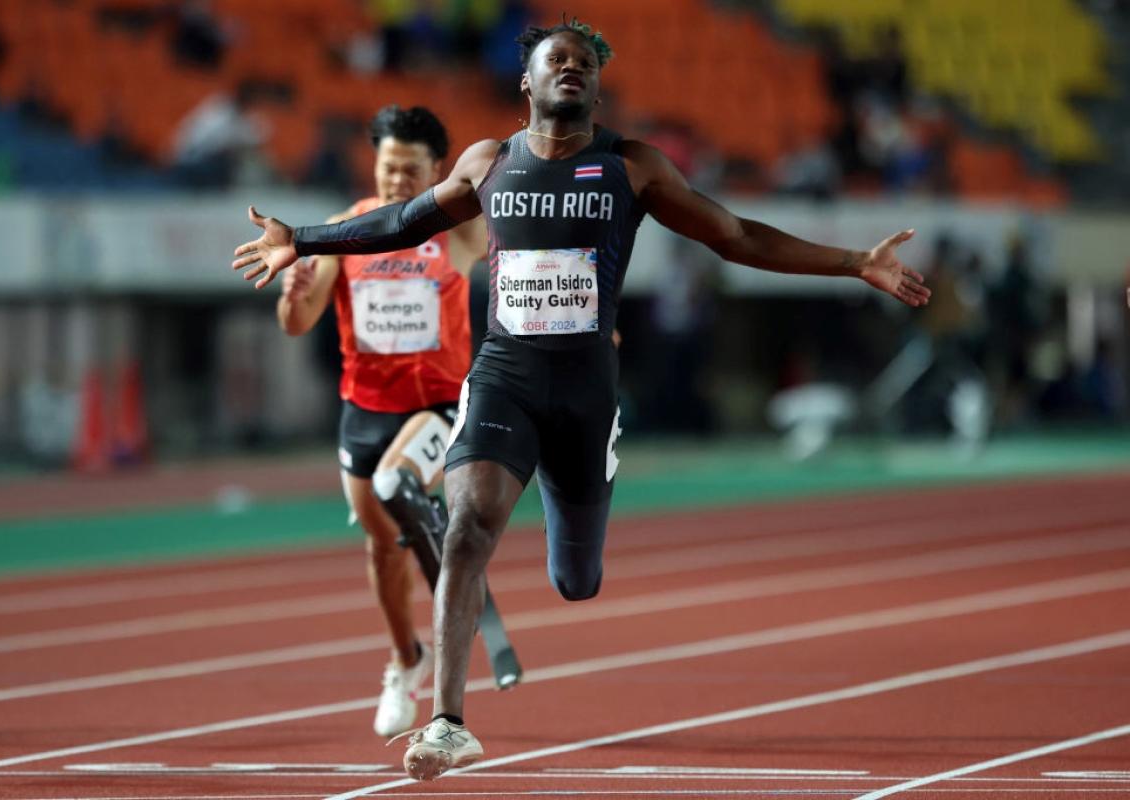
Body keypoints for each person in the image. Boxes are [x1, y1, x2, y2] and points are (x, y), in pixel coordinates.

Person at [232, 19, 931, 781]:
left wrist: (854, 262)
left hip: (585, 391)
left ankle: (579, 506)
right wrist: (300, 238)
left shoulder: (633, 167)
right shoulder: (488, 163)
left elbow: (734, 236)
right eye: (554, 60)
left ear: (596, 87)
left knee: (577, 580)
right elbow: (402, 221)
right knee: (467, 525)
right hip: (503, 374)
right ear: (525, 84)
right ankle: (448, 723)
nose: (571, 68)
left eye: (582, 63)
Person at [274, 104, 486, 739]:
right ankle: (406, 658)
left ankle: (451, 556)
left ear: (436, 170)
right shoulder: (347, 228)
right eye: (388, 166)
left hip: (441, 403)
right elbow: (298, 323)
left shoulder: (460, 232)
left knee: (400, 486)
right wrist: (294, 296)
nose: (397, 180)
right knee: (380, 541)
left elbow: (522, 262)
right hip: (365, 408)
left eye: (411, 170)